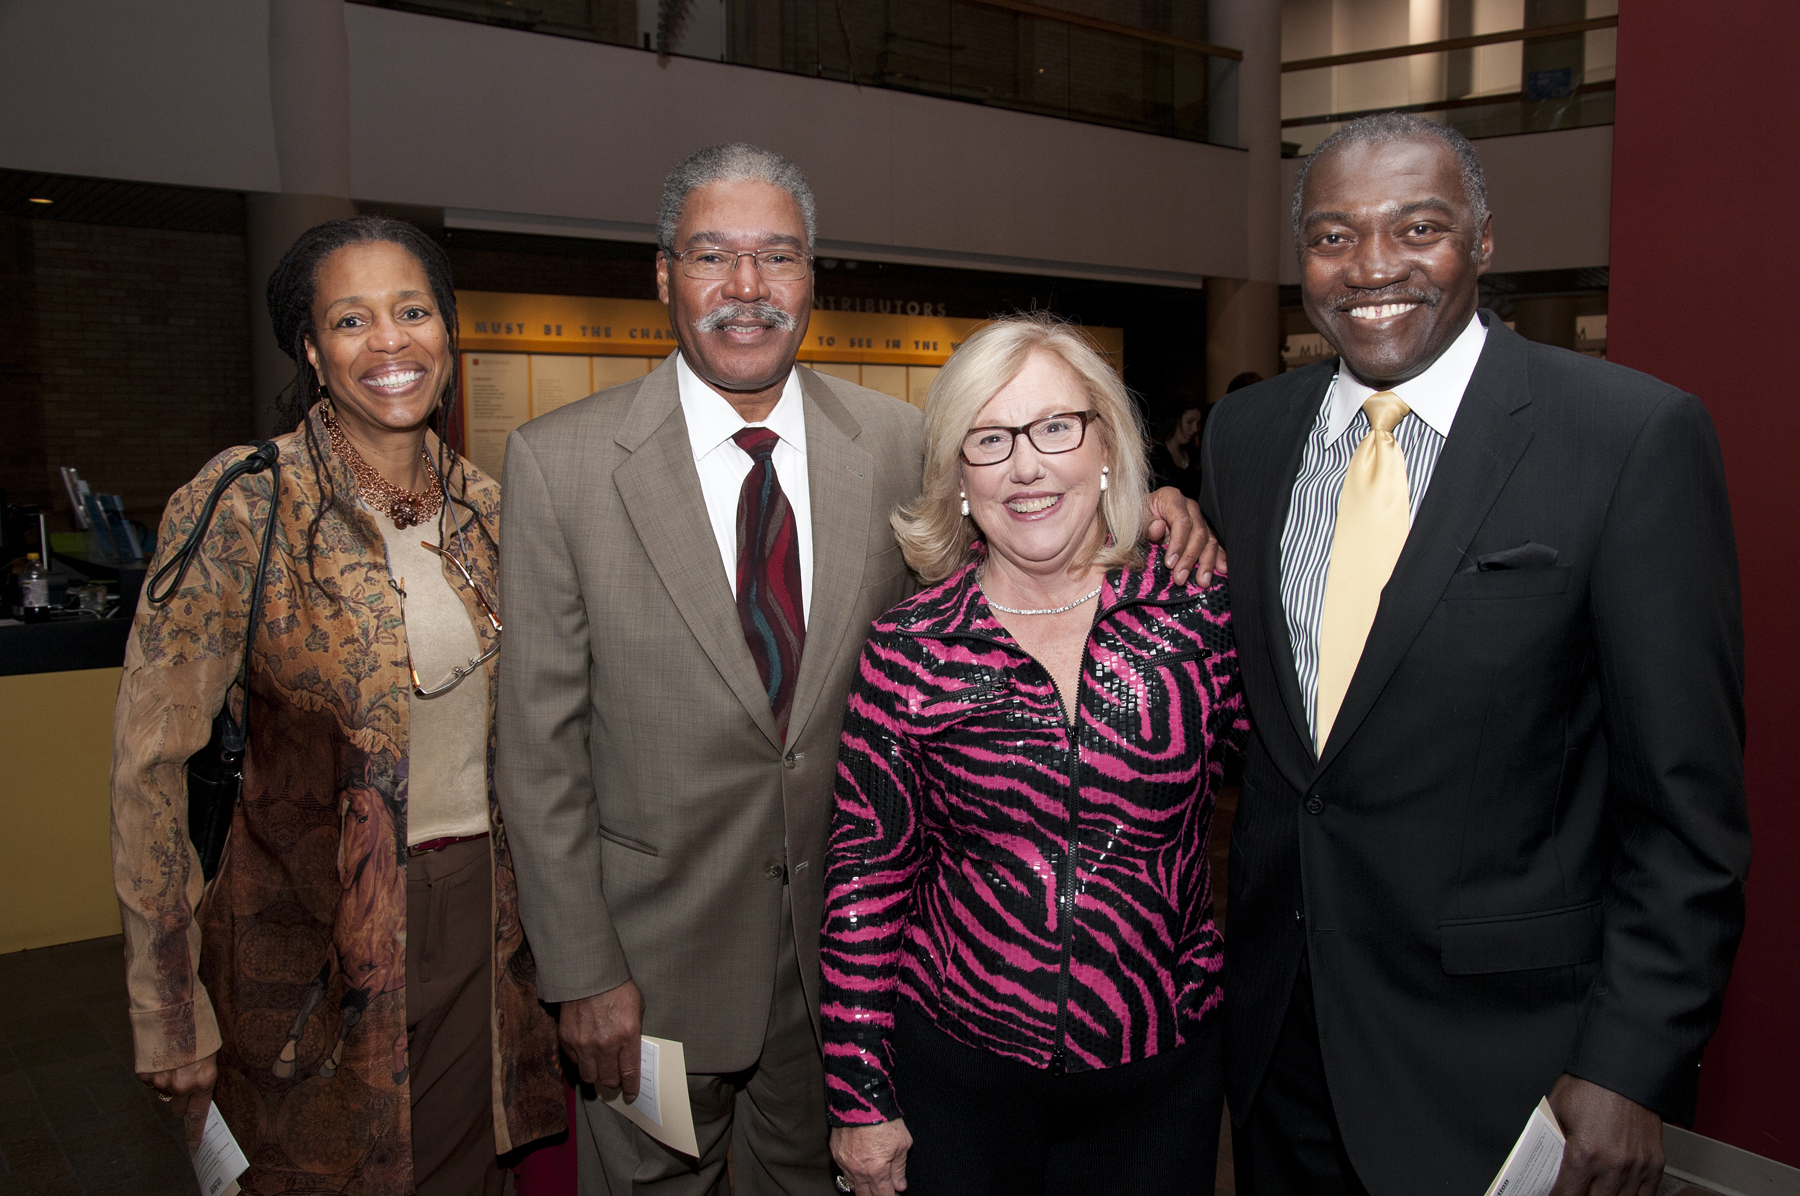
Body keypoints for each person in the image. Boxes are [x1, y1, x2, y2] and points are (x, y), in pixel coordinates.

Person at [495, 143, 1218, 1196]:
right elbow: (538, 747)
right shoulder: (558, 463)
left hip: (852, 974)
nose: (748, 289)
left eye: (777, 256)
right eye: (713, 256)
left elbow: (1025, 543)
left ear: (812, 277)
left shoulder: (897, 443)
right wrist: (582, 969)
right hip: (651, 969)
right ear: (664, 276)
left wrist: (1146, 516)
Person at [1200, 112, 1748, 1195]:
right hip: (1283, 1041)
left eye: (1418, 228)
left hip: (1508, 1063)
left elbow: (1687, 812)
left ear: (1484, 241)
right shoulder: (1247, 436)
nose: (1373, 269)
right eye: (1333, 236)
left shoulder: (1628, 437)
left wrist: (1629, 1062)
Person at [112, 216, 563, 1194]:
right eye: (352, 320)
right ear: (313, 351)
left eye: (412, 311)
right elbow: (147, 772)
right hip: (306, 941)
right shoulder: (243, 505)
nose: (391, 342)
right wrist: (168, 1008)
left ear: (447, 331)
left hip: (479, 925)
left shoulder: (494, 507)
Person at [820, 314, 1246, 1196]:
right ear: (958, 474)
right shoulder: (913, 648)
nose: (1027, 465)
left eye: (1056, 426)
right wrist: (860, 1096)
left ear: (1105, 446)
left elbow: (1298, 801)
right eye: (990, 438)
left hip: (1160, 1079)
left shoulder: (1197, 614)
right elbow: (866, 879)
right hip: (960, 1083)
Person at [1148, 399, 1204, 499]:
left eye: (1198, 423)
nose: (1195, 429)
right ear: (1174, 420)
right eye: (1190, 422)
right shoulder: (1154, 457)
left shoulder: (1194, 455)